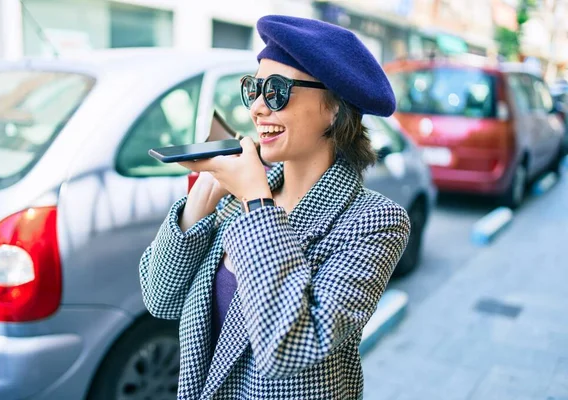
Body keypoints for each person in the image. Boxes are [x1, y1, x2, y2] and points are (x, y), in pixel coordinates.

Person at [139, 15, 411, 399]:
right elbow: (160, 298)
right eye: (254, 89)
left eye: (278, 92)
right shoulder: (241, 192)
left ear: (334, 108)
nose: (258, 108)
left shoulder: (375, 222)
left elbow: (291, 346)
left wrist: (257, 203)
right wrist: (204, 194)